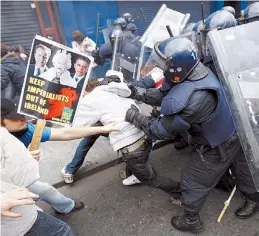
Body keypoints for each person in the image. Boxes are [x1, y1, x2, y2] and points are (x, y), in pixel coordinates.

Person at [123, 36, 259, 233]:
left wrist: (135, 117)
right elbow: (164, 95)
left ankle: (191, 221)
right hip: (228, 128)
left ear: (176, 67)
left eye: (164, 65)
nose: (160, 68)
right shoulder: (194, 71)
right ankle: (237, 189)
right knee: (240, 166)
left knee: (193, 179)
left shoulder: (195, 98)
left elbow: (160, 130)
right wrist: (135, 92)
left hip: (220, 141)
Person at [63, 72, 181, 196]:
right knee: (140, 159)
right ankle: (134, 172)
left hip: (133, 149)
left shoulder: (90, 99)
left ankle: (180, 190)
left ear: (85, 92)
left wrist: (65, 107)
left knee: (152, 179)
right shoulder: (113, 88)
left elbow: (71, 124)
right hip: (145, 135)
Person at [0, 129, 74, 236]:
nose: (23, 119)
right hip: (18, 225)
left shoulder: (26, 129)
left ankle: (67, 206)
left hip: (20, 211)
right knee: (64, 232)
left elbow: (65, 133)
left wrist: (22, 161)